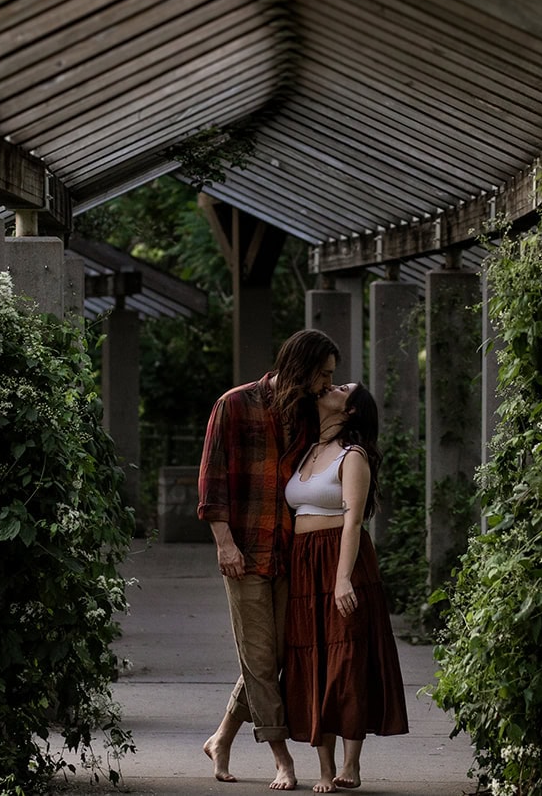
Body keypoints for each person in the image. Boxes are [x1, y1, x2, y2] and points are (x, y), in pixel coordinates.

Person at [198, 329, 341, 790]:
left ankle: (221, 737)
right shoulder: (233, 404)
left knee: (275, 657)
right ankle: (282, 758)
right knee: (259, 659)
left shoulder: (306, 412)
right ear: (301, 368)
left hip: (289, 552)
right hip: (244, 553)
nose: (326, 384)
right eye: (323, 374)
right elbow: (212, 481)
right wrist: (224, 543)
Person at [283, 382, 408, 793]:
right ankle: (324, 769)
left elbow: (354, 521)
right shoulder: (307, 447)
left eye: (342, 387)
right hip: (304, 565)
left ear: (351, 410)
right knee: (315, 657)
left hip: (342, 562)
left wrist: (341, 579)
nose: (332, 385)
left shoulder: (352, 455)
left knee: (347, 659)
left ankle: (350, 765)